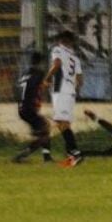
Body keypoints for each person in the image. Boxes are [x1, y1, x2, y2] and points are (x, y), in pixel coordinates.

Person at [44, 30, 83, 168]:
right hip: (70, 92)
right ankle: (71, 155)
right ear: (71, 42)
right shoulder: (75, 58)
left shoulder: (57, 50)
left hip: (61, 90)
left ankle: (75, 153)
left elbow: (57, 64)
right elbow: (80, 80)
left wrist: (47, 78)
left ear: (61, 40)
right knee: (63, 122)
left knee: (61, 122)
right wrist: (73, 90)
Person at [13, 51, 53, 163]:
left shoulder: (25, 74)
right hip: (29, 108)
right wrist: (48, 86)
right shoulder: (39, 73)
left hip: (22, 108)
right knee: (44, 131)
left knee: (44, 129)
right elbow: (39, 85)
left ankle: (47, 157)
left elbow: (20, 88)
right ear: (40, 62)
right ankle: (22, 155)